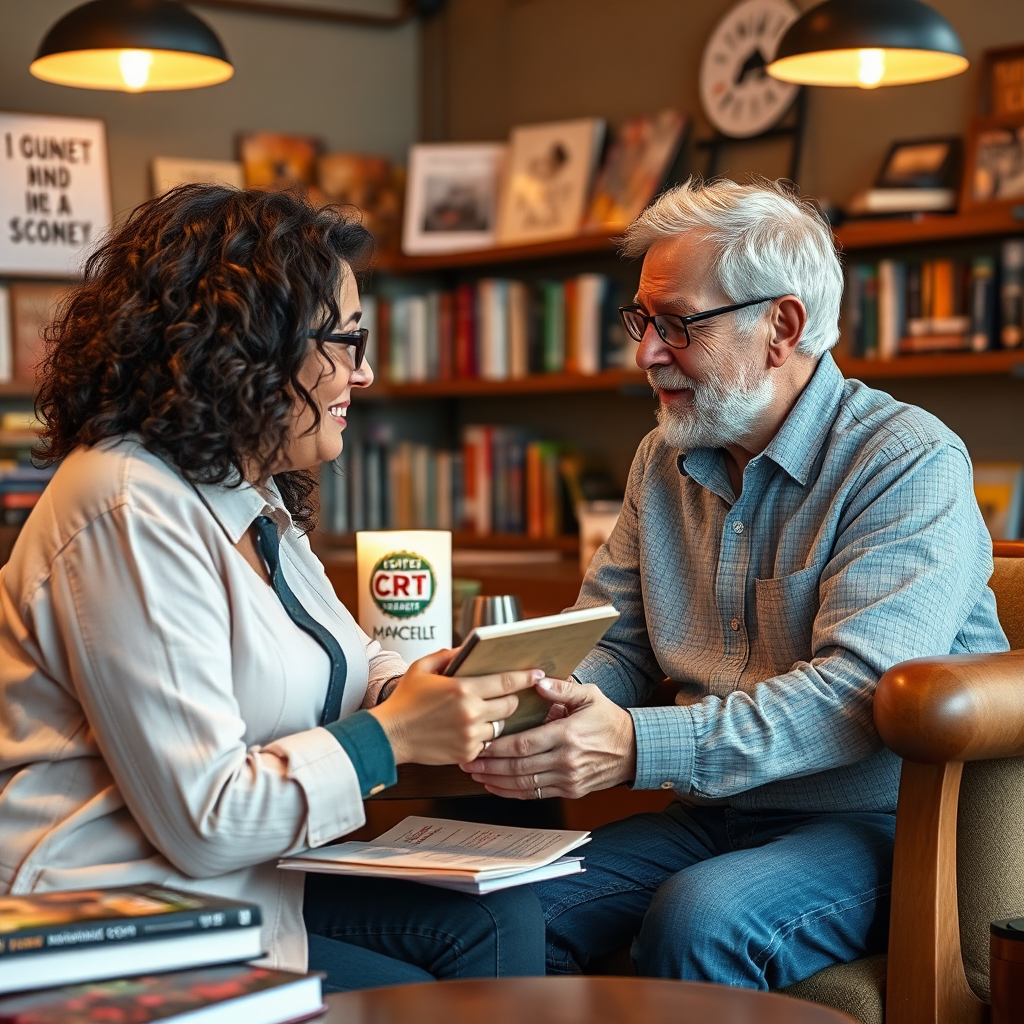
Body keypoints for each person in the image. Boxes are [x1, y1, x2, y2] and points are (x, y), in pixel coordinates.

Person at [461, 177, 1008, 988]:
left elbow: (860, 694)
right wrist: (529, 697)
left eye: (677, 323)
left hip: (887, 820)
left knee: (702, 917)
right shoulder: (664, 458)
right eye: (642, 321)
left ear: (780, 327)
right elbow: (614, 641)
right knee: (503, 910)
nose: (646, 351)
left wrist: (635, 745)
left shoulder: (906, 460)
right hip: (714, 813)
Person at [0, 184, 545, 992]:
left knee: (503, 917)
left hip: (243, 888)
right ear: (249, 346)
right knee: (428, 997)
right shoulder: (126, 505)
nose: (363, 373)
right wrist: (392, 737)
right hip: (116, 918)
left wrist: (427, 688)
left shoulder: (248, 493)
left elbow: (351, 659)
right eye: (347, 341)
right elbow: (207, 821)